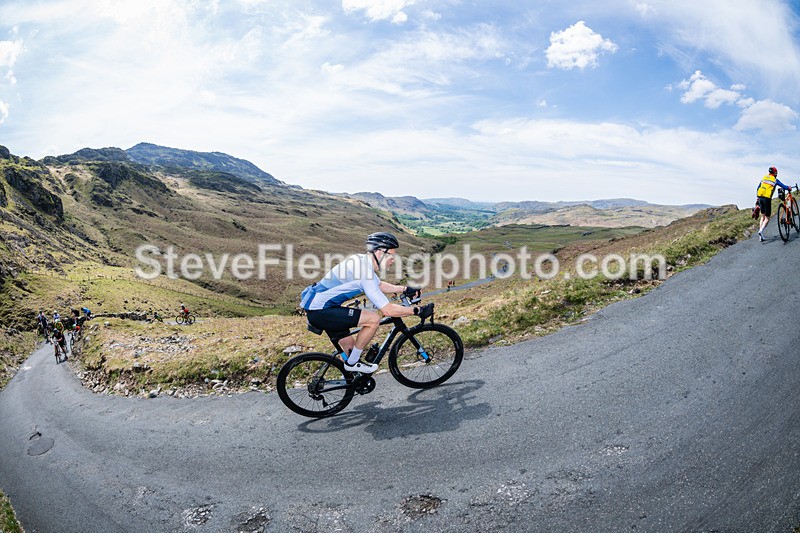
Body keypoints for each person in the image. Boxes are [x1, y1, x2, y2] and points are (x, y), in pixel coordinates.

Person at [299, 232, 433, 373]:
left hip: (322, 308)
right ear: (380, 252)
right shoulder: (365, 272)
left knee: (350, 349)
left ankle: (349, 381)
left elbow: (379, 285)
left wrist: (405, 289)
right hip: (321, 310)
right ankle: (353, 364)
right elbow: (388, 310)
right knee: (373, 319)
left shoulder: (361, 260)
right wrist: (417, 310)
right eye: (391, 256)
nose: (393, 260)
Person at [756, 166, 791, 242]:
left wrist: (757, 198)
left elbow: (758, 187)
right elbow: (783, 186)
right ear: (775, 173)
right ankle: (761, 231)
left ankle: (760, 236)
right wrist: (789, 188)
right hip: (766, 199)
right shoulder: (775, 180)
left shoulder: (764, 178)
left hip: (760, 197)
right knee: (768, 218)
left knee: (763, 216)